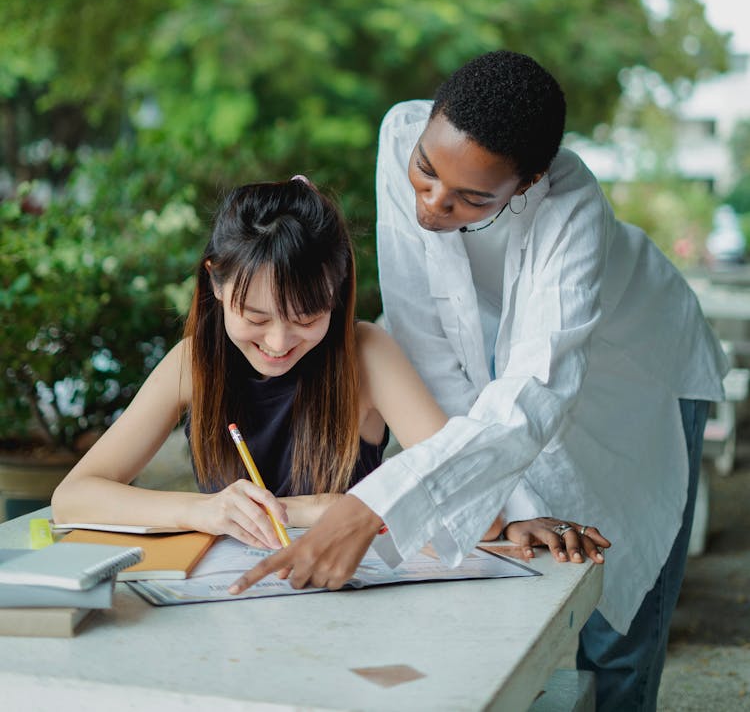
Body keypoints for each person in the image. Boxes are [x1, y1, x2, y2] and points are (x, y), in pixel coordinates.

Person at [234, 52, 727, 712]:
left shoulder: (572, 215)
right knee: (535, 582)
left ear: (528, 182)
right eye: (429, 173)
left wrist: (373, 504)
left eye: (472, 198)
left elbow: (534, 393)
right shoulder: (400, 137)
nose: (434, 204)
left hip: (637, 381)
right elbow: (428, 346)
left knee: (619, 622)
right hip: (509, 389)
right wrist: (516, 505)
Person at [52, 175, 589, 549]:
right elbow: (73, 497)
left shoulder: (367, 354)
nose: (280, 341)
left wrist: (300, 511)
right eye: (256, 316)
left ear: (337, 291)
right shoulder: (196, 361)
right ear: (215, 281)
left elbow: (469, 503)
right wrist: (202, 511)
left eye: (307, 315)